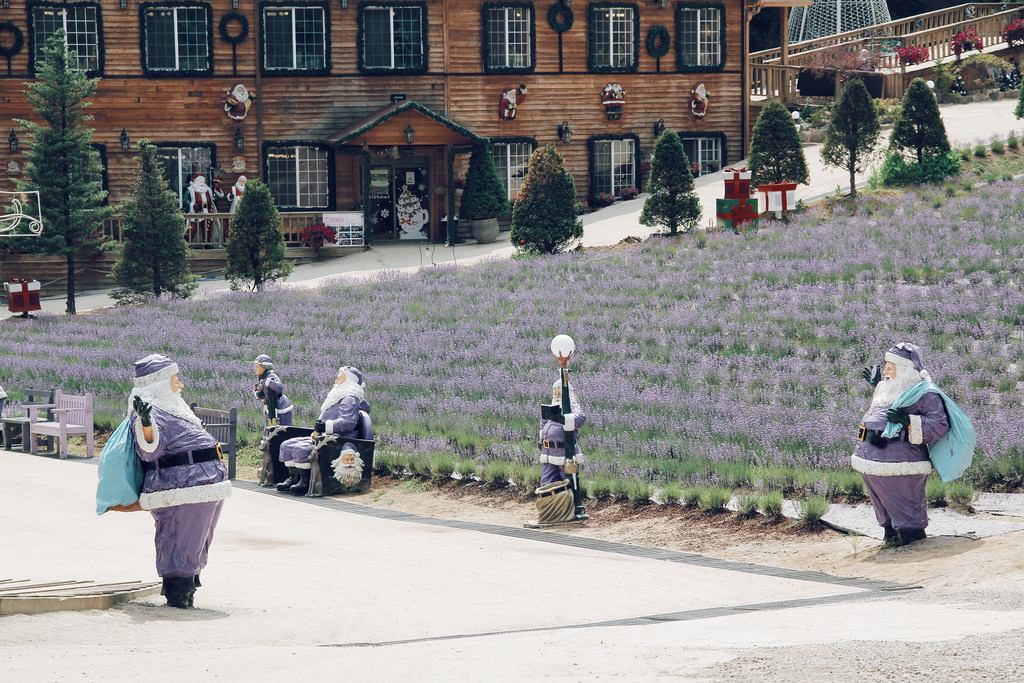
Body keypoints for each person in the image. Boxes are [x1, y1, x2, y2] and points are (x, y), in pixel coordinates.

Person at [123, 354, 232, 608]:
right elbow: (149, 448)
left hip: (203, 484)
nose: (180, 384)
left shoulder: (174, 408)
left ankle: (188, 585)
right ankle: (179, 591)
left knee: (197, 540)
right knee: (181, 537)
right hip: (183, 485)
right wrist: (147, 422)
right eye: (175, 379)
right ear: (160, 382)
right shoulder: (150, 411)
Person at [853, 343, 950, 547]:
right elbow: (886, 404)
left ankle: (913, 543)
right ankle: (890, 536)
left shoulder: (924, 392)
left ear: (905, 369)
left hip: (900, 463)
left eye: (891, 365)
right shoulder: (890, 388)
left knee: (905, 506)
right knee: (882, 504)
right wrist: (878, 385)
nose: (886, 368)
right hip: (871, 460)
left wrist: (908, 422)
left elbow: (940, 424)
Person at [277, 365, 370, 495]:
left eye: (340, 377)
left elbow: (348, 423)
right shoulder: (339, 396)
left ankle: (305, 481)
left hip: (335, 437)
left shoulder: (349, 398)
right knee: (287, 445)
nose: (337, 380)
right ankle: (294, 478)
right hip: (322, 435)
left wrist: (325, 426)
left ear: (349, 380)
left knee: (301, 449)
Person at [253, 354, 292, 430]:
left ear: (264, 367)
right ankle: (267, 439)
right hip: (270, 406)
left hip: (280, 406)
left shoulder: (272, 376)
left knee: (283, 427)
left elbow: (279, 387)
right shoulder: (261, 379)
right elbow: (258, 390)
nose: (255, 369)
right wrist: (258, 394)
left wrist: (270, 383)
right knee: (268, 425)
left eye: (257, 367)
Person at [187, 174, 217, 243]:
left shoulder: (208, 190)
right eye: (200, 182)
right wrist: (193, 205)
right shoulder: (191, 190)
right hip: (196, 212)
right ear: (196, 182)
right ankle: (188, 242)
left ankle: (206, 242)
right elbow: (186, 201)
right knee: (192, 228)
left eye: (203, 182)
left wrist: (217, 189)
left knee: (207, 228)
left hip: (207, 212)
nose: (202, 184)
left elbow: (214, 199)